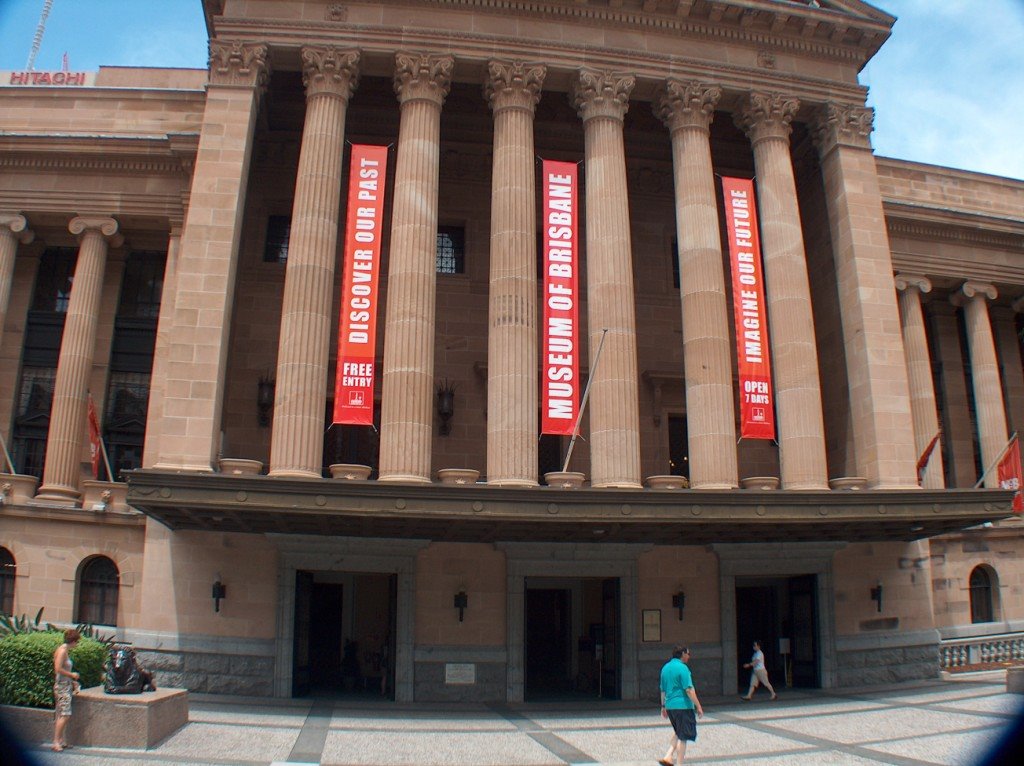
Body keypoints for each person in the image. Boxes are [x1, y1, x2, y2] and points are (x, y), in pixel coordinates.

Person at [658, 644, 704, 765]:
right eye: (688, 654)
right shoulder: (683, 668)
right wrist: (698, 706)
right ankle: (679, 763)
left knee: (678, 732)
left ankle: (668, 756)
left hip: (670, 706)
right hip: (683, 706)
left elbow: (663, 690)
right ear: (683, 654)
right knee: (683, 737)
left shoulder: (665, 668)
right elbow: (689, 689)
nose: (689, 657)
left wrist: (663, 706)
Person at [52, 628, 81, 752]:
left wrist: (72, 681)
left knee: (62, 713)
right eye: (77, 642)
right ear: (73, 641)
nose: (77, 644)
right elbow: (57, 668)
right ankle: (56, 742)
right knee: (65, 714)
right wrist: (72, 675)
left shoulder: (64, 650)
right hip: (62, 686)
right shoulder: (63, 651)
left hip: (65, 684)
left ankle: (61, 740)